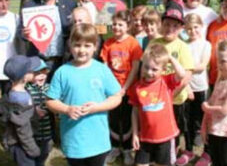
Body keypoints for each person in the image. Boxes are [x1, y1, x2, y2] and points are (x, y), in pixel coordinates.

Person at [46, 23, 122, 166]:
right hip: (73, 141)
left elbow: (116, 97)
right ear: (70, 45)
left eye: (87, 45)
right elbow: (50, 101)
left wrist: (98, 107)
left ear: (95, 47)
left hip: (98, 141)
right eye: (77, 45)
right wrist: (67, 109)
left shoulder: (102, 70)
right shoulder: (62, 72)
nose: (81, 50)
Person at [149, 1, 193, 165]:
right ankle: (155, 154)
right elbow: (146, 66)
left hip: (175, 98)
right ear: (161, 24)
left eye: (175, 26)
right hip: (155, 97)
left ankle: (171, 156)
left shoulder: (182, 46)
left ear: (181, 28)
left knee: (174, 129)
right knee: (156, 125)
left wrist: (173, 93)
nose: (169, 28)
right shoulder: (154, 43)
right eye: (167, 24)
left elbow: (187, 74)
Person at [129, 44, 188, 166]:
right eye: (146, 67)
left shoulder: (166, 82)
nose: (149, 72)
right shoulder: (137, 88)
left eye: (155, 69)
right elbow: (134, 111)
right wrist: (135, 134)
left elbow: (182, 75)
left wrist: (170, 59)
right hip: (145, 138)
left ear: (163, 69)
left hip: (166, 138)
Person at [101, 10, 143, 165]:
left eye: (120, 24)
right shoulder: (108, 43)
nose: (116, 27)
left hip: (127, 90)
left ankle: (126, 149)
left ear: (128, 25)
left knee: (126, 119)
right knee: (113, 118)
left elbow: (135, 68)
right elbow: (105, 67)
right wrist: (110, 87)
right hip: (112, 90)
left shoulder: (133, 43)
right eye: (114, 24)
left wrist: (124, 88)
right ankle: (114, 147)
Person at [19, 0, 77, 79]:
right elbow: (20, 32)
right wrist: (24, 34)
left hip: (63, 62)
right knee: (38, 95)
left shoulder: (70, 4)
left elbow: (81, 22)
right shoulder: (29, 6)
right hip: (38, 63)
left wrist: (87, 2)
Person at [1, 55, 41, 166]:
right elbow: (23, 129)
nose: (34, 72)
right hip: (22, 146)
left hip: (21, 143)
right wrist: (32, 149)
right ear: (24, 76)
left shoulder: (11, 91)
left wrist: (34, 111)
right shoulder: (21, 99)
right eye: (32, 70)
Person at [184, 13, 212, 166]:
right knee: (188, 120)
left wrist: (186, 69)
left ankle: (206, 152)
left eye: (195, 27)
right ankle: (189, 149)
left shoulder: (206, 44)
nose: (192, 31)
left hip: (201, 87)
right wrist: (185, 75)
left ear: (201, 27)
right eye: (189, 28)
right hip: (186, 87)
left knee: (204, 119)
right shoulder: (184, 44)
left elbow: (202, 65)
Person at [26, 59, 54, 166]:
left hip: (47, 130)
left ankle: (40, 162)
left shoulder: (49, 88)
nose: (41, 76)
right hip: (32, 131)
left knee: (45, 151)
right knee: (32, 151)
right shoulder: (26, 89)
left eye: (44, 72)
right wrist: (34, 110)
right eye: (37, 73)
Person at [0, 0, 21, 95]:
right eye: (0, 0)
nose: (3, 4)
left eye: (6, 0)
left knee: (8, 104)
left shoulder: (16, 18)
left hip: (10, 71)